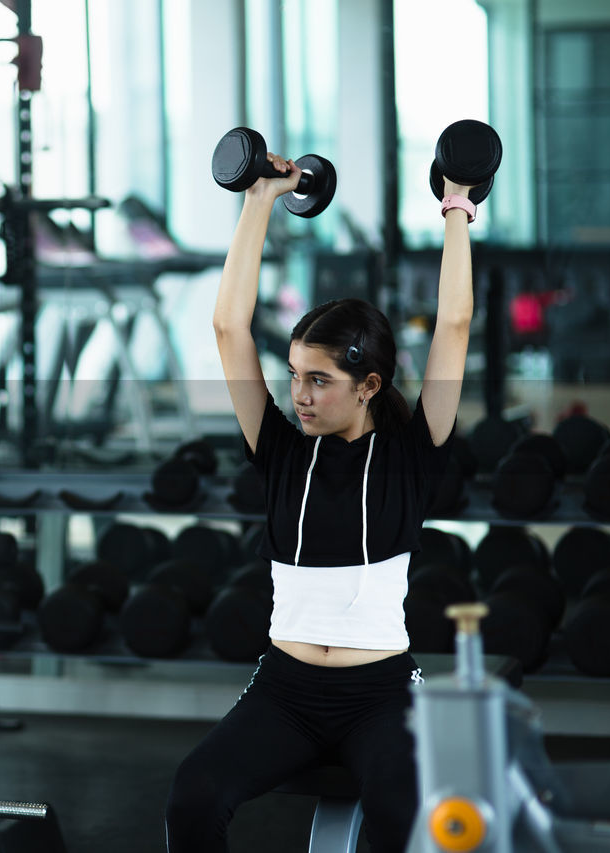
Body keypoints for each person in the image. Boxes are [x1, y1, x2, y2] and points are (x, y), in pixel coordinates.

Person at [164, 152, 476, 852]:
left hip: (383, 694)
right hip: (286, 691)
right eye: (294, 376)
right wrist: (260, 200)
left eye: (319, 380)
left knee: (404, 810)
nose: (299, 395)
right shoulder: (279, 448)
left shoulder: (411, 450)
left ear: (367, 385)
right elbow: (228, 328)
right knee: (194, 793)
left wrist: (457, 205)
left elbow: (453, 325)